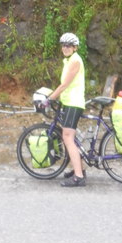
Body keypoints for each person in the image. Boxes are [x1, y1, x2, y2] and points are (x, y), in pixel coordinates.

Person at [47, 32, 86, 188]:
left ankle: (78, 177)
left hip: (73, 103)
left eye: (69, 45)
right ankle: (80, 169)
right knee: (70, 138)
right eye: (63, 45)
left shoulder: (75, 61)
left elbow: (65, 85)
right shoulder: (68, 60)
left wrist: (49, 98)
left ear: (75, 47)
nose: (65, 48)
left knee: (68, 137)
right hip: (69, 102)